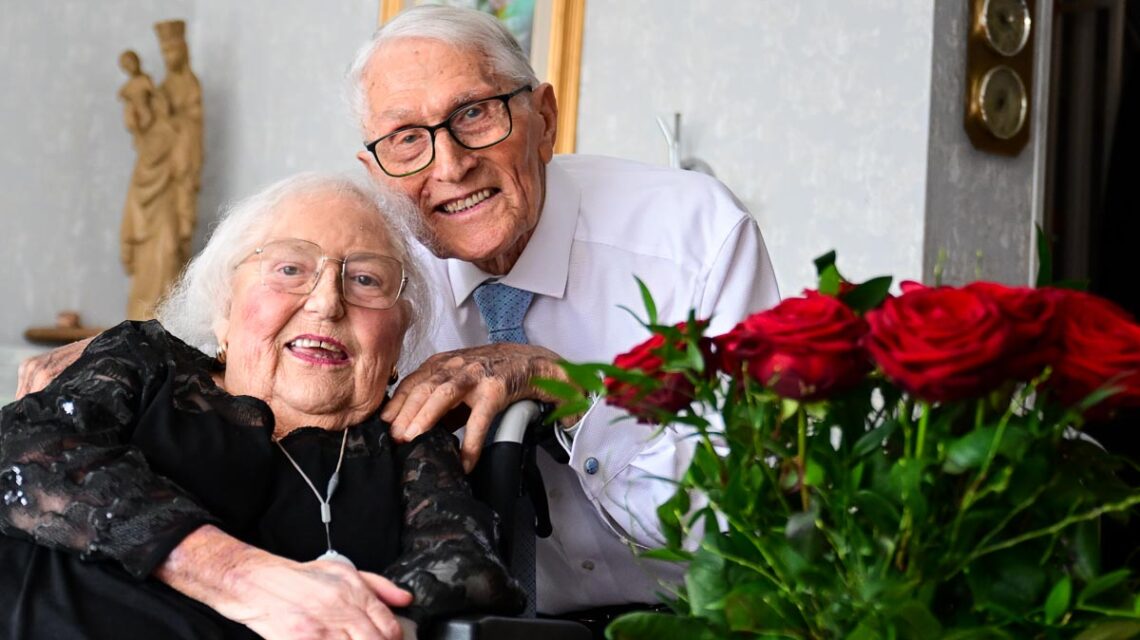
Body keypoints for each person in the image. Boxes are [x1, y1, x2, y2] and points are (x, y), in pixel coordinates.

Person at [17, 4, 781, 625]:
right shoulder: (384, 255)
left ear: (544, 117)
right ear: (379, 166)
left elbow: (753, 509)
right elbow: (273, 340)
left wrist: (577, 386)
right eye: (408, 139)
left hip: (695, 609)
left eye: (477, 114)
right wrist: (122, 353)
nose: (448, 165)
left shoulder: (694, 238)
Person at [1, 173, 523, 640]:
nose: (326, 302)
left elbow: (466, 565)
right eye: (291, 268)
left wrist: (363, 622)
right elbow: (24, 454)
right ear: (224, 308)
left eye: (365, 280)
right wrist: (236, 574)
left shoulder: (408, 440)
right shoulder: (144, 364)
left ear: (399, 334)